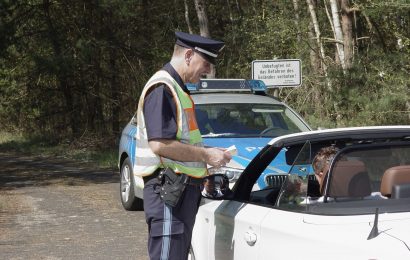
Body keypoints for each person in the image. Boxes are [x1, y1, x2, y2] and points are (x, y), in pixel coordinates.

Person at [135, 31, 232, 260]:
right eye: (206, 63)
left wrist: (207, 158)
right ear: (188, 55)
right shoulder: (163, 87)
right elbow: (160, 144)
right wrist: (206, 156)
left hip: (178, 192)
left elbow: (182, 141)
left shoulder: (176, 88)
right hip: (168, 192)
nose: (208, 70)